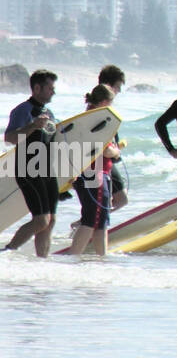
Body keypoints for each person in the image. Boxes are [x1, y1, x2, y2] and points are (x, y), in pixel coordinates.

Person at [3, 69, 60, 256]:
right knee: (41, 220)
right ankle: (7, 252)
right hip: (28, 170)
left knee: (50, 221)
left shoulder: (49, 112)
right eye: (50, 88)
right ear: (37, 88)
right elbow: (10, 138)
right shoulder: (22, 111)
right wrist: (32, 126)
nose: (53, 92)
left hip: (47, 171)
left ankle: (42, 262)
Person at [68, 85, 119, 257]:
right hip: (95, 172)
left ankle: (101, 259)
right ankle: (72, 259)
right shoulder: (100, 119)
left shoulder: (86, 115)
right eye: (111, 103)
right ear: (104, 102)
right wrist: (117, 152)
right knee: (91, 220)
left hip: (84, 172)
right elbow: (106, 151)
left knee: (100, 222)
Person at [98, 65, 130, 211]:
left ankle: (90, 227)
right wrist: (115, 152)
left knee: (118, 200)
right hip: (100, 164)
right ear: (109, 86)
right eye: (117, 86)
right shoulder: (99, 109)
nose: (119, 91)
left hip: (107, 162)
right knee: (116, 200)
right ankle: (87, 227)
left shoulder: (104, 106)